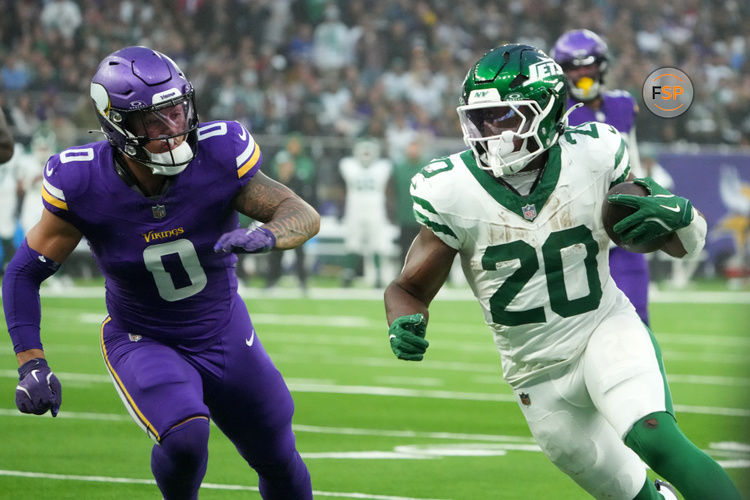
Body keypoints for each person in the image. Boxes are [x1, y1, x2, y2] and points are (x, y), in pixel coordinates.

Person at [384, 44, 741, 500]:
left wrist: (682, 218)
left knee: (655, 436)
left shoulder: (593, 155)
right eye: (483, 119)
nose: (492, 132)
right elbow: (408, 287)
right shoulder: (451, 190)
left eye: (507, 117)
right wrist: (404, 319)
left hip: (602, 329)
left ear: (548, 112)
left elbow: (676, 243)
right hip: (533, 373)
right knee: (634, 495)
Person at [3, 46, 318, 500]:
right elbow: (23, 272)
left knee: (279, 460)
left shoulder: (219, 152)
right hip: (143, 337)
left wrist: (269, 235)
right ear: (118, 125)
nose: (172, 130)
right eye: (153, 121)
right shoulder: (82, 182)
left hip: (224, 329)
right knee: (186, 437)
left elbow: (299, 212)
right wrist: (31, 362)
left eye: (176, 112)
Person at [551, 29, 651, 325]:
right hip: (579, 234)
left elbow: (632, 157)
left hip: (625, 228)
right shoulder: (554, 112)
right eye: (573, 66)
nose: (582, 72)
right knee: (580, 329)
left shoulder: (622, 104)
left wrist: (647, 195)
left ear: (602, 65)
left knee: (636, 321)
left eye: (588, 64)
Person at [339, 137, 393, 287]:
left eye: (369, 153)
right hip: (355, 210)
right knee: (352, 242)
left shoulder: (383, 167)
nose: (366, 155)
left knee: (378, 243)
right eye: (363, 152)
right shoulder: (348, 165)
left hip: (375, 210)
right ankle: (348, 275)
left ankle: (378, 276)